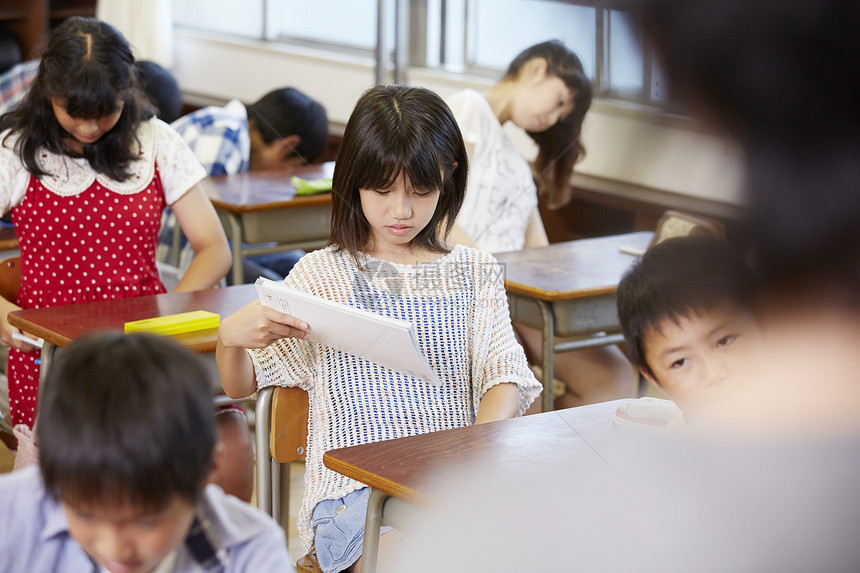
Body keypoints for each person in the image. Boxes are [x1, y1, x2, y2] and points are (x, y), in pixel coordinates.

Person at [216, 84, 541, 572]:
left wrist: (472, 465)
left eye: (421, 190)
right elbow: (244, 384)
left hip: (450, 488)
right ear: (354, 182)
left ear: (448, 175)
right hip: (354, 499)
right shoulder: (320, 275)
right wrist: (229, 339)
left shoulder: (474, 272)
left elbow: (505, 376)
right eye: (383, 191)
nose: (402, 211)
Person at [0, 17, 254, 502]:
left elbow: (214, 248)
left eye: (107, 111)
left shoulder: (154, 141)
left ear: (126, 92)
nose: (92, 126)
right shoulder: (16, 148)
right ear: (48, 94)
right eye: (75, 112)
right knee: (73, 490)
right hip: (53, 356)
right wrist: (2, 314)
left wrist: (166, 322)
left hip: (144, 350)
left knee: (200, 453)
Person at [0, 331, 292, 572]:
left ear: (207, 470)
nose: (115, 548)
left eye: (146, 521)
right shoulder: (10, 515)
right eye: (85, 515)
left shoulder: (250, 551)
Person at [446, 40, 635, 409]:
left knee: (615, 377)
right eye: (561, 100)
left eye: (564, 115)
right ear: (537, 70)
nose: (555, 118)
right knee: (528, 399)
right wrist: (489, 279)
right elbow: (438, 212)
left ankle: (557, 459)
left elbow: (540, 253)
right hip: (474, 289)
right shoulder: (469, 107)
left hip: (517, 294)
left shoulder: (516, 162)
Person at [164, 87, 330, 283]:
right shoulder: (224, 134)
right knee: (277, 283)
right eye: (291, 168)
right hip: (174, 257)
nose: (281, 177)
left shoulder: (232, 131)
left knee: (300, 263)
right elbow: (194, 243)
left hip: (214, 244)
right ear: (287, 146)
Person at [616, 235, 758, 421]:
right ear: (654, 378)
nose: (714, 373)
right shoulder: (672, 446)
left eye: (725, 341)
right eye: (680, 362)